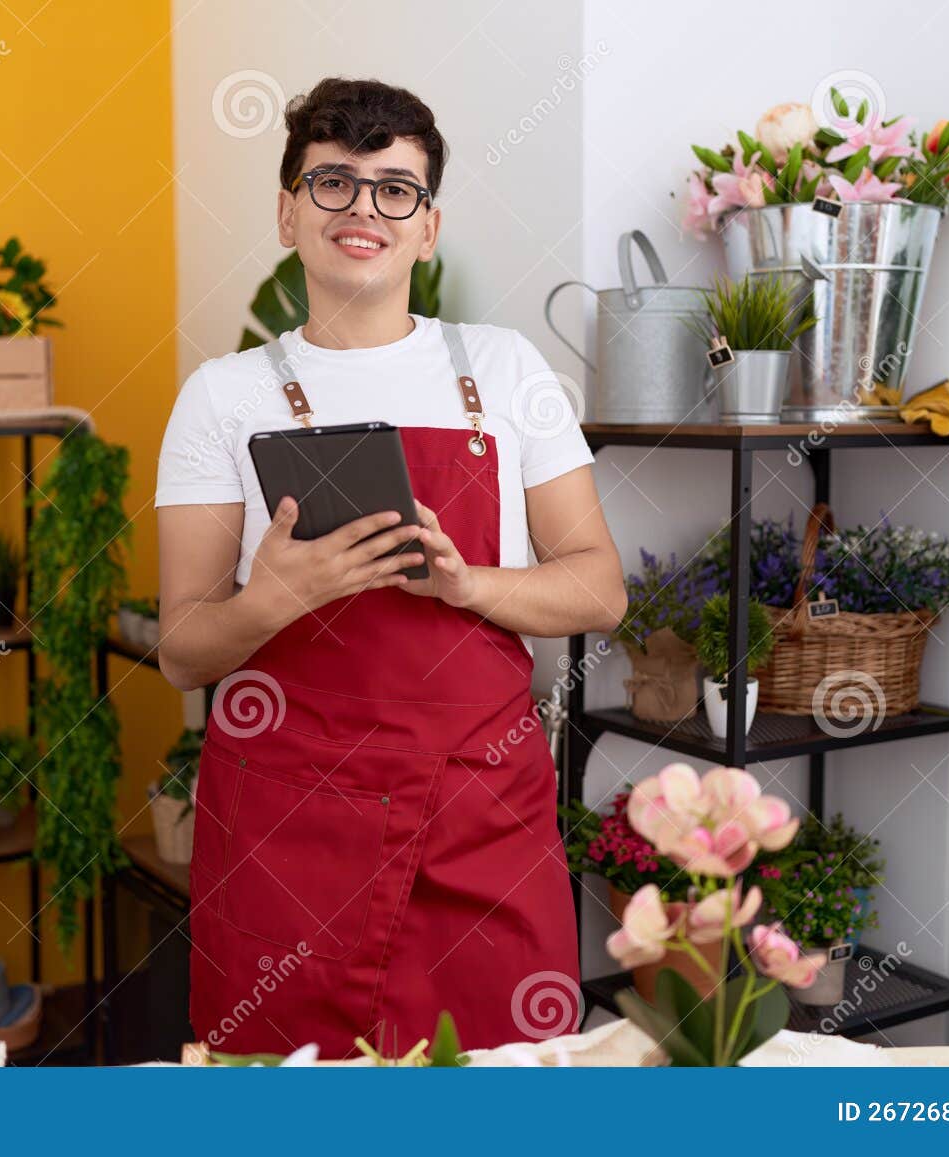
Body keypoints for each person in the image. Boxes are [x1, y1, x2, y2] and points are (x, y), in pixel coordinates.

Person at [154, 76, 625, 1057]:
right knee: (289, 1090)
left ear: (428, 225)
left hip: (479, 813)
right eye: (332, 182)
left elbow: (596, 586)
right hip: (288, 826)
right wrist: (273, 597)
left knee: (499, 1077)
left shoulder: (503, 370)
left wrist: (470, 584)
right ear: (288, 211)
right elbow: (185, 649)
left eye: (393, 188)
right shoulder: (223, 395)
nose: (362, 208)